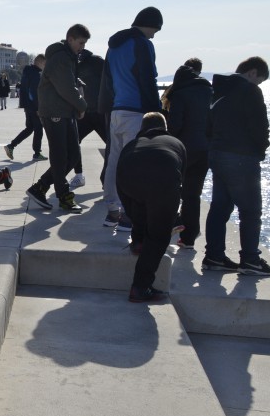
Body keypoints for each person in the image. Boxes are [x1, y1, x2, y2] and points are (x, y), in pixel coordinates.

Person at [202, 56, 270, 275]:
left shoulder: (218, 91)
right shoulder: (250, 91)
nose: (258, 85)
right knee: (250, 211)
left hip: (217, 154)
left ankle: (214, 257)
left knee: (220, 208)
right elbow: (260, 126)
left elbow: (208, 126)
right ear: (252, 73)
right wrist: (261, 150)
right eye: (259, 80)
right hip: (241, 157)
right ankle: (250, 260)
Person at [99, 6, 164, 232]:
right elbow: (148, 79)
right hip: (136, 112)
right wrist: (156, 113)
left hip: (116, 111)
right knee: (134, 166)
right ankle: (128, 217)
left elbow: (107, 79)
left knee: (114, 162)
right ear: (149, 24)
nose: (154, 35)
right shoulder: (143, 44)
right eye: (155, 30)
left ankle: (112, 211)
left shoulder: (114, 46)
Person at [116, 112, 186, 302]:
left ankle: (138, 241)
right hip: (163, 178)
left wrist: (133, 217)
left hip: (126, 179)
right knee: (158, 236)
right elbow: (180, 182)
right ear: (164, 127)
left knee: (138, 202)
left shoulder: (132, 144)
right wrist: (172, 218)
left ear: (141, 129)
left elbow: (120, 177)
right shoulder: (176, 143)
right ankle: (140, 287)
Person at [25, 24, 91, 213]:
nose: (82, 47)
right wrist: (82, 105)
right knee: (61, 156)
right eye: (80, 43)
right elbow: (65, 88)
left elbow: (68, 83)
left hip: (63, 112)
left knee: (72, 156)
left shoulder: (67, 57)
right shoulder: (61, 58)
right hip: (55, 112)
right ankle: (63, 197)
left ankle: (40, 187)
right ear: (70, 39)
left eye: (84, 43)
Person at [164, 58, 212, 249]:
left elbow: (175, 126)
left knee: (170, 189)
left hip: (184, 150)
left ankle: (175, 222)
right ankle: (189, 238)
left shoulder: (180, 94)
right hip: (204, 150)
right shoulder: (209, 91)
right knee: (193, 195)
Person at [68, 49, 108, 190]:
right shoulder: (99, 61)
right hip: (99, 110)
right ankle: (106, 179)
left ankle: (79, 176)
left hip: (86, 111)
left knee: (73, 142)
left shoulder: (75, 63)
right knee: (111, 145)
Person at [4, 55, 47, 161]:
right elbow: (33, 92)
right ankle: (37, 153)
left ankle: (11, 146)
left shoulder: (27, 72)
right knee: (38, 129)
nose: (45, 66)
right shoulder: (36, 74)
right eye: (44, 64)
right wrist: (38, 108)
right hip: (34, 107)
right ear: (39, 62)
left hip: (27, 106)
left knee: (29, 128)